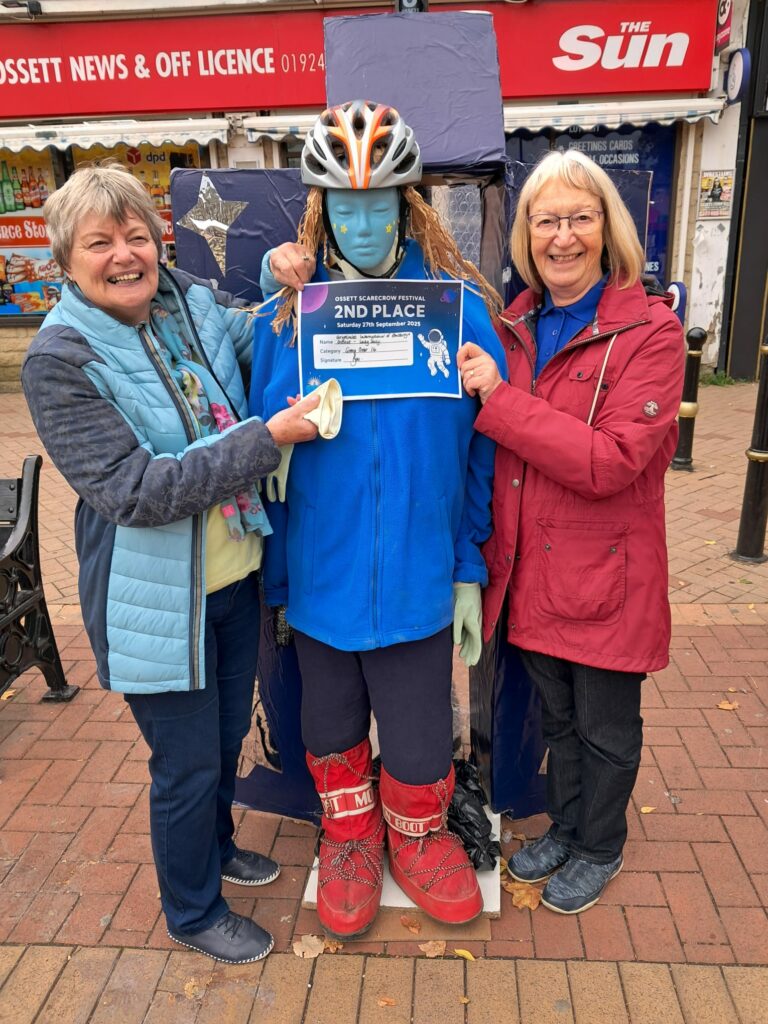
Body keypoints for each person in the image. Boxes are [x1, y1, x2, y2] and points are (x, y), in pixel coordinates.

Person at [21, 163, 320, 964]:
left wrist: (278, 280)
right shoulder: (59, 360)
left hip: (232, 577)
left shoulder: (186, 298)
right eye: (99, 243)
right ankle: (192, 910)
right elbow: (136, 491)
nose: (124, 255)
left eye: (136, 236)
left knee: (223, 740)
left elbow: (253, 335)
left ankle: (216, 849)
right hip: (156, 601)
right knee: (184, 766)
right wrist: (264, 440)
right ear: (66, 260)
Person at [251, 100, 507, 938]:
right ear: (322, 211)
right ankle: (351, 837)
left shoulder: (458, 312)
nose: (363, 225)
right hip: (321, 578)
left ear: (408, 205)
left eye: (380, 204)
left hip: (419, 577)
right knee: (327, 725)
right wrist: (280, 579)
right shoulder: (289, 318)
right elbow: (264, 456)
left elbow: (482, 453)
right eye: (346, 207)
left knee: (421, 730)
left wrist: (467, 567)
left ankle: (419, 835)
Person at [457, 148, 685, 914]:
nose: (562, 237)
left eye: (579, 218)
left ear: (607, 228)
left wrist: (500, 401)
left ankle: (599, 845)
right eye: (546, 220)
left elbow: (610, 461)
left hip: (606, 579)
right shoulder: (513, 325)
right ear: (527, 234)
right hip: (530, 572)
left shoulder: (651, 333)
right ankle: (567, 825)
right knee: (557, 720)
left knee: (605, 729)